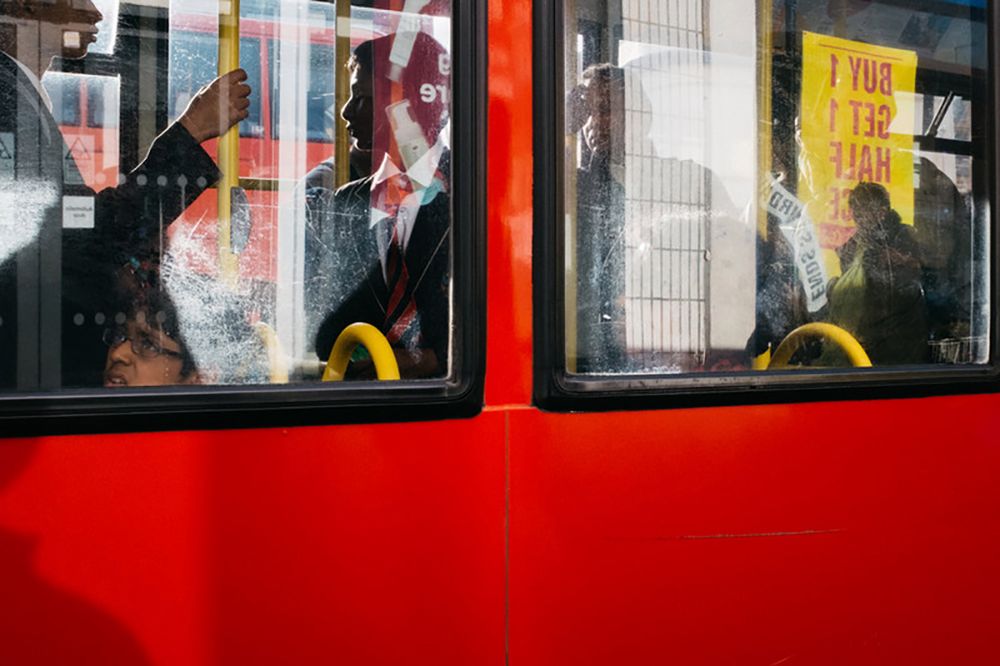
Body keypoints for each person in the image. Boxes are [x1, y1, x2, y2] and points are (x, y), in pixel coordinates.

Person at [0, 0, 252, 389]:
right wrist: (190, 131)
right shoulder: (7, 98)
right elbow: (80, 238)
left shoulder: (21, 96)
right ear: (26, 5)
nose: (96, 13)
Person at [310, 32, 451, 379]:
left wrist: (425, 361)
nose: (344, 112)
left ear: (409, 104)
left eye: (362, 98)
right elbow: (326, 328)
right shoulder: (346, 201)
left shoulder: (476, 198)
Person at [825, 182, 928, 365]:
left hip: (894, 343)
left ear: (882, 212)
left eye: (863, 209)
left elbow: (909, 288)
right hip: (855, 339)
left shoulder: (903, 237)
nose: (856, 215)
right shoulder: (852, 246)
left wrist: (899, 261)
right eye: (854, 208)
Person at [570, 63, 627, 373]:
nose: (593, 122)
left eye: (604, 108)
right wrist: (562, 127)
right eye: (586, 112)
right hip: (584, 354)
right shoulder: (574, 187)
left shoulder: (681, 178)